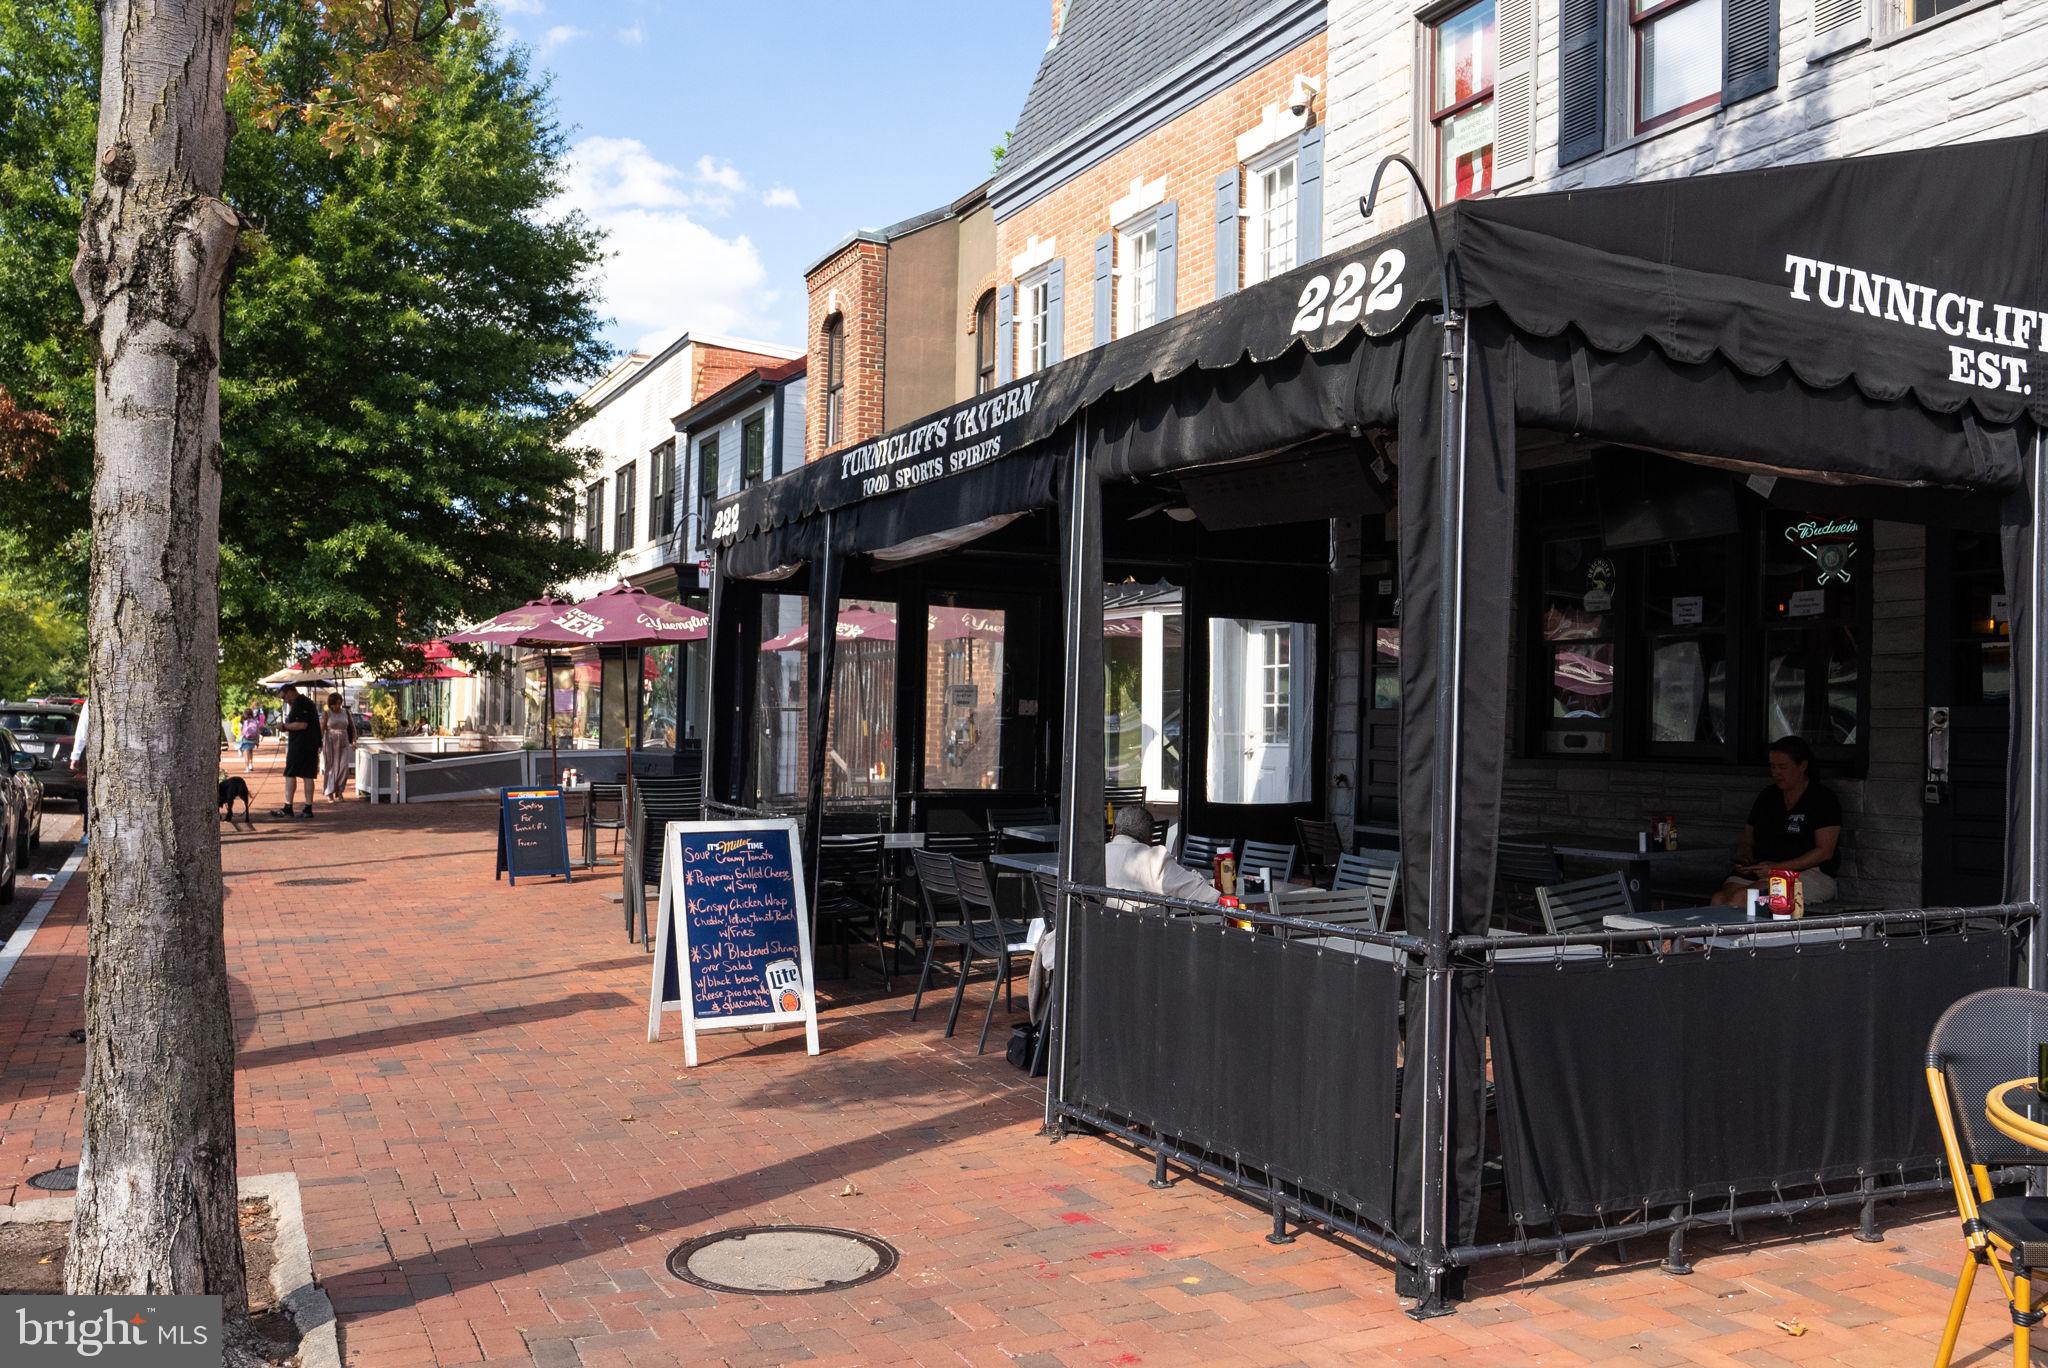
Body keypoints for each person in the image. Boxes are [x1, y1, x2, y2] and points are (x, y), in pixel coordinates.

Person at [1709, 735, 1844, 907]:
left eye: (1783, 767)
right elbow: (1748, 837)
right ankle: (1721, 935)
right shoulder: (1768, 796)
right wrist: (1745, 855)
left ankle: (1749, 934)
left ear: (1802, 766)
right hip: (1761, 870)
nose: (1776, 773)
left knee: (1744, 899)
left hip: (1808, 873)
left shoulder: (1822, 799)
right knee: (1719, 899)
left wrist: (1779, 868)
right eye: (1773, 767)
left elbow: (1825, 851)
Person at [1104, 806, 1223, 909]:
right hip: (1149, 932)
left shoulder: (1096, 856)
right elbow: (1206, 896)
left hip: (1101, 930)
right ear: (1150, 839)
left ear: (1114, 829)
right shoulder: (1152, 861)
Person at [274, 684, 320, 818]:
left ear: (290, 692)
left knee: (290, 773)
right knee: (307, 775)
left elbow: (302, 724)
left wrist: (284, 726)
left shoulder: (300, 703)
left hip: (301, 745)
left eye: (284, 697)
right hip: (309, 744)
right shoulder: (306, 702)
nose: (284, 700)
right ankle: (307, 808)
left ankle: (288, 806)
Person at [319, 692, 357, 802]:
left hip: (344, 740)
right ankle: (329, 792)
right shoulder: (326, 713)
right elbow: (321, 729)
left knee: (344, 767)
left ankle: (339, 791)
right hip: (330, 741)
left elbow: (352, 728)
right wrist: (318, 744)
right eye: (335, 704)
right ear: (330, 704)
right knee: (331, 768)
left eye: (339, 703)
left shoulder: (346, 712)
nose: (337, 706)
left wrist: (354, 740)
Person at [236, 707, 263, 773]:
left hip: (245, 738)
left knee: (246, 752)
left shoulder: (242, 721)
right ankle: (251, 765)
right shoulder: (255, 721)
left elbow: (240, 731)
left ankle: (247, 767)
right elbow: (257, 731)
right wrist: (257, 741)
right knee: (250, 751)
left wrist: (238, 740)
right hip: (253, 739)